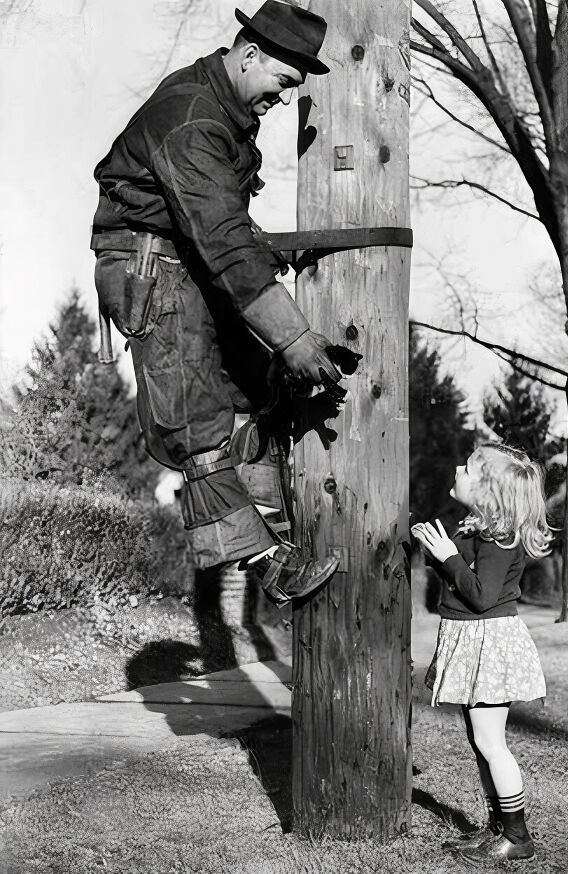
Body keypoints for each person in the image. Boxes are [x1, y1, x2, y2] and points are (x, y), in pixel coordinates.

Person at [90, 1, 344, 632]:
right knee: (196, 421)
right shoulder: (194, 120)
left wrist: (280, 345)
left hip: (187, 263)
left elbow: (223, 231)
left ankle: (273, 524)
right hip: (154, 272)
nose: (282, 100)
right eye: (283, 84)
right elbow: (224, 239)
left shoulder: (222, 108)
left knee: (256, 387)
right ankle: (268, 563)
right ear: (250, 56)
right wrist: (293, 336)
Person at [411, 444, 553, 863]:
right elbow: (461, 582)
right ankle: (496, 828)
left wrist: (448, 557)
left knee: (492, 742)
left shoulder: (501, 537)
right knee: (480, 741)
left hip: (489, 643)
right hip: (474, 639)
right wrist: (438, 554)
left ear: (488, 490)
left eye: (469, 467)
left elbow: (481, 595)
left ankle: (518, 837)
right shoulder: (476, 530)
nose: (458, 468)